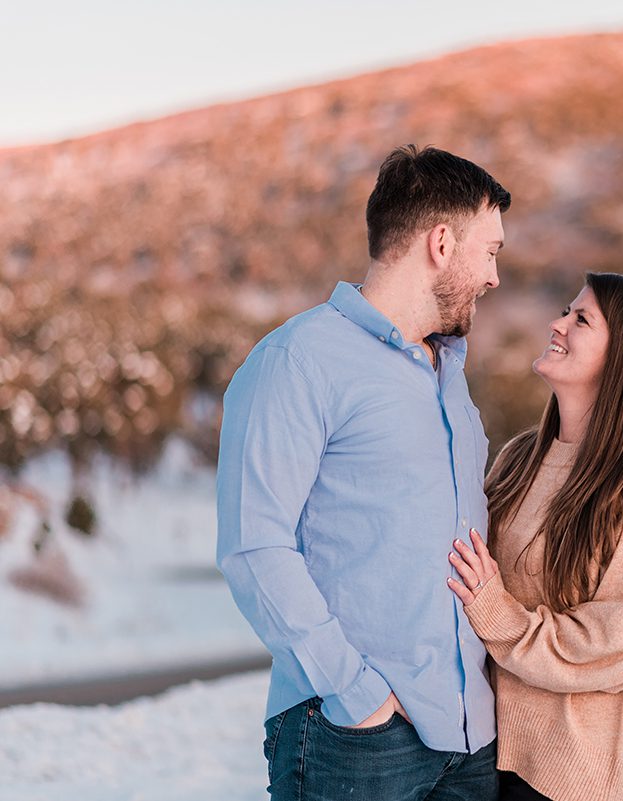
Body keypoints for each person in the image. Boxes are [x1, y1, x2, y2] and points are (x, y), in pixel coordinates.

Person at [216, 145, 510, 801]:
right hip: (357, 741)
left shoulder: (449, 377)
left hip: (469, 742)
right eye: (489, 251)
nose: (494, 276)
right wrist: (357, 694)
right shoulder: (299, 360)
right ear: (441, 242)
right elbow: (253, 545)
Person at [445, 272, 623, 801]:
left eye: (581, 319)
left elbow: (620, 644)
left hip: (573, 779)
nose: (557, 323)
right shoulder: (523, 458)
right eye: (567, 310)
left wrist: (500, 617)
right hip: (486, 756)